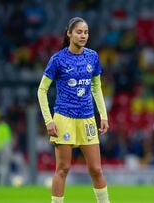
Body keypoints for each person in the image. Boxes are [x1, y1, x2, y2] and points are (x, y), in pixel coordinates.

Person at [37, 17, 110, 203]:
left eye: (86, 32)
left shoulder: (92, 56)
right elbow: (42, 90)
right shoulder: (58, 59)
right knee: (62, 169)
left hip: (87, 118)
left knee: (96, 169)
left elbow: (96, 87)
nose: (83, 35)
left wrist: (103, 115)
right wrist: (48, 120)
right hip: (64, 118)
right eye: (79, 32)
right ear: (69, 34)